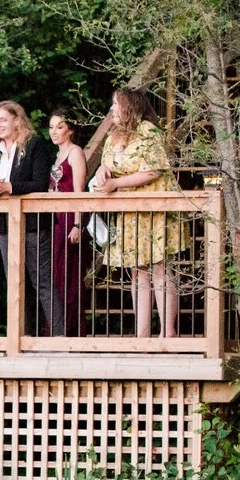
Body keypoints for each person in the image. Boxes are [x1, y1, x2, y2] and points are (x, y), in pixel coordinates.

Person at [94, 87, 186, 338]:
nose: (112, 109)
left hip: (154, 210)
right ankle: (142, 334)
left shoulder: (149, 132)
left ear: (130, 107)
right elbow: (107, 163)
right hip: (128, 212)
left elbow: (154, 170)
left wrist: (115, 184)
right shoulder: (113, 136)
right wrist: (103, 171)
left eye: (116, 104)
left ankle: (169, 333)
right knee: (137, 270)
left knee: (159, 268)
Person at [0, 100, 59, 335]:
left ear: (16, 120)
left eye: (3, 119)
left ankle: (59, 335)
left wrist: (10, 187)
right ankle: (22, 336)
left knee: (41, 280)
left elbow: (40, 182)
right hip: (4, 226)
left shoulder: (34, 145)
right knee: (15, 282)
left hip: (32, 224)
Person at [47, 109, 89, 337]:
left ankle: (73, 332)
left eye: (60, 127)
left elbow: (79, 190)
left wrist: (77, 224)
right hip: (53, 219)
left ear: (70, 130)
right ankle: (56, 329)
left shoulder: (76, 152)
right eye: (52, 127)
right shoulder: (55, 156)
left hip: (69, 219)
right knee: (54, 276)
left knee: (70, 276)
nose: (54, 131)